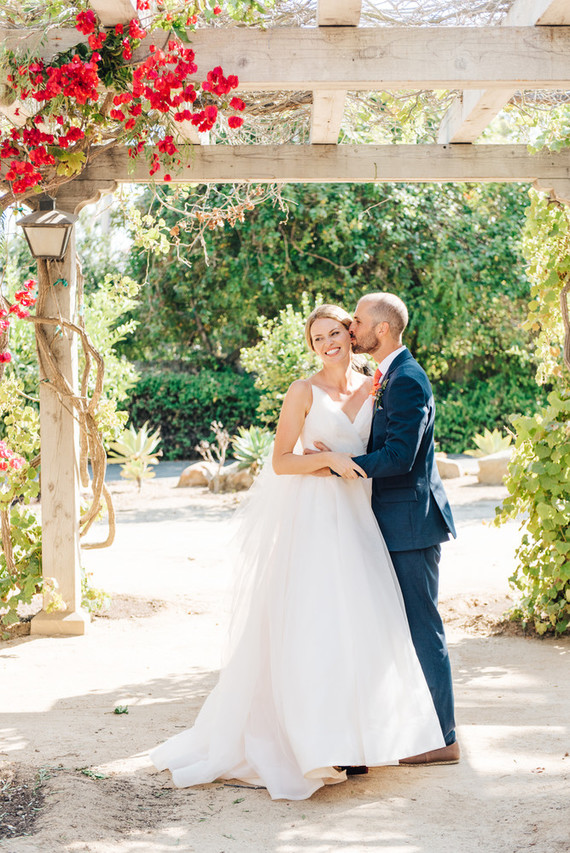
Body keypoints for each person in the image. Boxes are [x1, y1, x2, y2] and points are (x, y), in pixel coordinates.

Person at [150, 304, 446, 800]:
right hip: (315, 520)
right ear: (310, 347)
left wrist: (338, 460)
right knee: (317, 625)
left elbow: (393, 451)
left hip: (360, 520)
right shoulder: (302, 391)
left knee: (361, 626)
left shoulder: (375, 384)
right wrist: (329, 457)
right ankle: (316, 743)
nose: (329, 342)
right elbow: (282, 462)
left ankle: (355, 739)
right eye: (318, 338)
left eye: (336, 332)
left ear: (353, 336)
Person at [347, 292, 459, 765]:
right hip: (392, 521)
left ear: (384, 330)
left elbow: (398, 458)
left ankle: (444, 740)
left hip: (411, 523)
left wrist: (337, 464)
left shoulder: (407, 379)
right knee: (395, 626)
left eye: (357, 322)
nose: (352, 329)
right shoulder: (385, 375)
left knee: (421, 627)